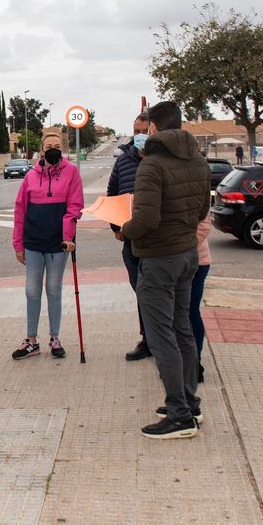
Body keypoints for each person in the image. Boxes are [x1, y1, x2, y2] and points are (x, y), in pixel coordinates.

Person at [120, 101, 211, 440]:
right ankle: (189, 403)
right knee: (182, 328)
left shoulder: (152, 166)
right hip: (187, 254)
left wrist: (122, 230)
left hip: (159, 258)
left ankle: (179, 415)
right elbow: (203, 209)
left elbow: (145, 221)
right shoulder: (198, 160)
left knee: (161, 337)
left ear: (154, 128)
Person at [11, 131, 85, 360]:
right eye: (48, 146)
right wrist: (18, 244)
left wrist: (68, 237)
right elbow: (20, 210)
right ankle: (31, 340)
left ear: (62, 148)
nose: (52, 149)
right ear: (42, 150)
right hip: (33, 242)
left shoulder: (71, 172)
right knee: (32, 291)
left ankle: (55, 338)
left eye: (56, 145)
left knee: (53, 290)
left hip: (59, 244)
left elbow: (75, 206)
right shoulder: (31, 176)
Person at [106, 112, 151, 361]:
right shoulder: (123, 161)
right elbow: (113, 192)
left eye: (144, 131)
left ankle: (162, 340)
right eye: (136, 131)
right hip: (130, 239)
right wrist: (115, 227)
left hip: (156, 240)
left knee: (155, 291)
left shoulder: (160, 160)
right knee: (140, 291)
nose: (140, 136)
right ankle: (147, 339)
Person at [190, 216, 211, 383]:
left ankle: (193, 364)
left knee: (190, 311)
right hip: (187, 258)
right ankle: (189, 364)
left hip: (195, 261)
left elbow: (204, 225)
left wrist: (179, 249)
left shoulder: (199, 189)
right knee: (185, 312)